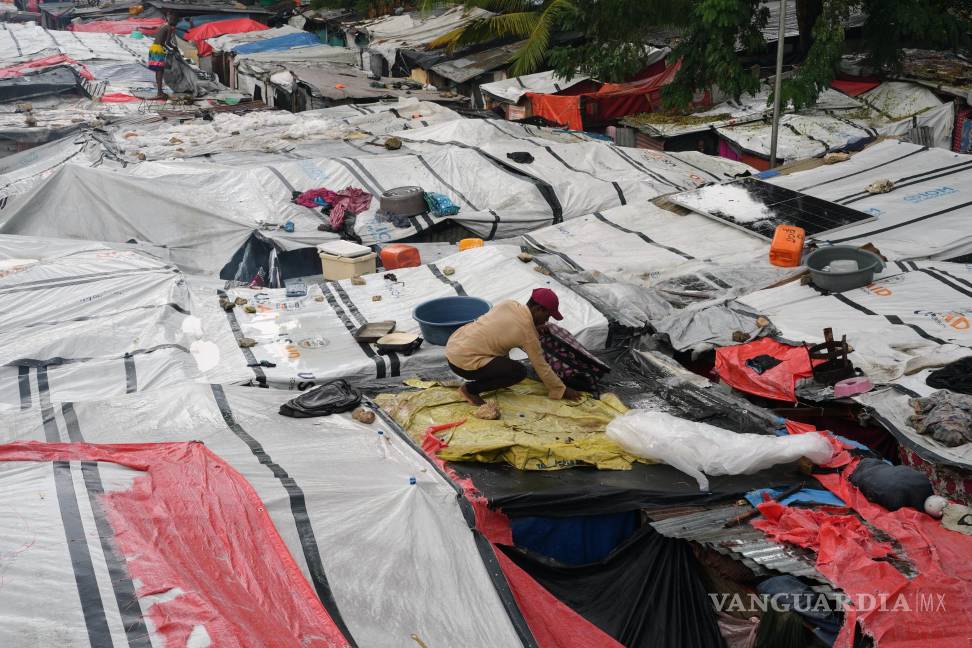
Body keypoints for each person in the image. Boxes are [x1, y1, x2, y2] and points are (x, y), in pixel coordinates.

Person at [446, 288, 582, 406]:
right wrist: (560, 389)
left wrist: (534, 328)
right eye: (547, 315)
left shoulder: (509, 304)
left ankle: (487, 380)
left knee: (498, 353)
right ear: (538, 309)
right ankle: (470, 390)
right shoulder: (527, 334)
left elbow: (507, 329)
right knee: (517, 372)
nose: (547, 320)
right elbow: (541, 366)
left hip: (453, 348)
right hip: (463, 364)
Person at [149, 14, 178, 99]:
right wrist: (174, 48)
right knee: (160, 71)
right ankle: (159, 92)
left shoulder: (163, 26)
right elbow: (167, 43)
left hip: (154, 48)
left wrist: (168, 49)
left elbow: (161, 42)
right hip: (158, 49)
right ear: (175, 24)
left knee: (158, 71)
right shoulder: (169, 28)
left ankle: (159, 91)